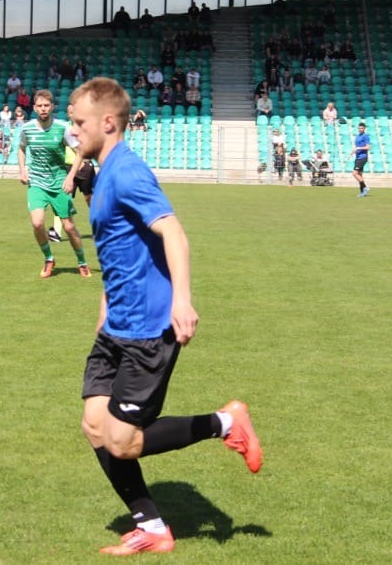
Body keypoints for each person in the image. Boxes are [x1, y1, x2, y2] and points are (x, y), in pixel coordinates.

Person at [67, 77, 261, 556]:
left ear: (107, 122)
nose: (74, 132)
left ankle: (225, 422)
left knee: (122, 441)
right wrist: (104, 307)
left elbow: (173, 231)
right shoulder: (103, 173)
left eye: (79, 123)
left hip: (149, 328)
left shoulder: (128, 171)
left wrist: (182, 300)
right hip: (117, 325)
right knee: (95, 425)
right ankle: (152, 528)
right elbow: (119, 250)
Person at [17, 89, 90, 278]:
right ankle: (49, 259)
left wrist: (70, 177)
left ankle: (82, 262)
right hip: (37, 182)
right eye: (39, 105)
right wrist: (22, 170)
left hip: (58, 182)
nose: (43, 108)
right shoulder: (27, 129)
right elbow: (22, 149)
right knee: (37, 223)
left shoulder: (62, 128)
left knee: (69, 227)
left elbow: (80, 152)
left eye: (46, 105)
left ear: (52, 107)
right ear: (34, 108)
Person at [350, 121, 370, 197]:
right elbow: (356, 146)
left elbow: (368, 147)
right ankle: (362, 192)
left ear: (364, 129)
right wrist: (353, 151)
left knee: (354, 173)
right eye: (359, 128)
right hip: (358, 157)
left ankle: (365, 187)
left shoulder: (365, 136)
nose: (360, 129)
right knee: (360, 175)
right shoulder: (357, 137)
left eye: (362, 128)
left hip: (362, 157)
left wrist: (359, 148)